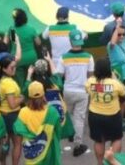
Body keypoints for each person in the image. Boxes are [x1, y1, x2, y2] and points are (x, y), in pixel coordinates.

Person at [56, 29, 92, 157]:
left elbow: (59, 74)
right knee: (80, 118)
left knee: (69, 115)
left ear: (70, 41)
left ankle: (70, 135)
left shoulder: (63, 57)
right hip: (83, 91)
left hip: (68, 91)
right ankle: (78, 144)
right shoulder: (89, 57)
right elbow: (90, 75)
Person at [87, 58, 125, 165]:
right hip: (113, 116)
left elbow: (88, 89)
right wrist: (114, 78)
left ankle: (100, 163)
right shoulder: (115, 84)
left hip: (95, 116)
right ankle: (112, 162)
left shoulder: (90, 82)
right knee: (117, 139)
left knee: (99, 140)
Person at [13, 81, 62, 165]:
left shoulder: (23, 112)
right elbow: (58, 133)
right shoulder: (52, 112)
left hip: (31, 152)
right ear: (43, 94)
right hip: (47, 150)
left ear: (29, 96)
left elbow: (17, 130)